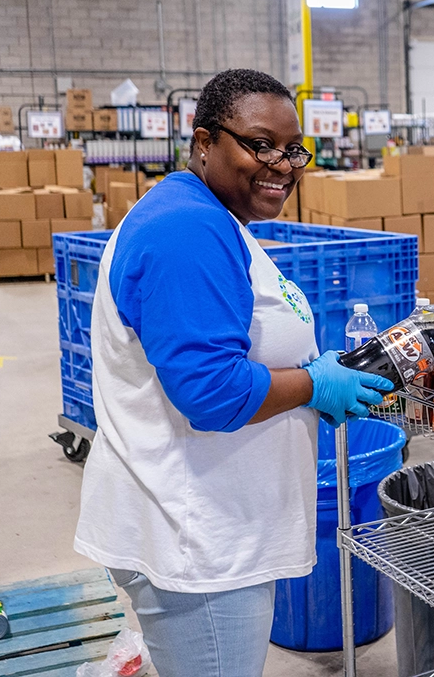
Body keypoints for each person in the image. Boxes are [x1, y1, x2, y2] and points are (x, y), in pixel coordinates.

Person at [73, 69, 392, 677]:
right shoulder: (184, 230)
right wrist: (314, 384)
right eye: (258, 144)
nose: (281, 164)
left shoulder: (214, 217)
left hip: (213, 525)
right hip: (195, 543)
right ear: (203, 142)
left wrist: (305, 375)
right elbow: (212, 392)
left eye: (293, 149)